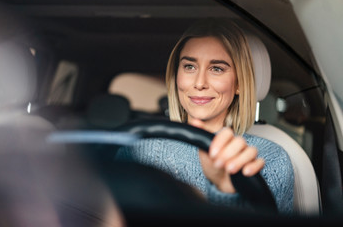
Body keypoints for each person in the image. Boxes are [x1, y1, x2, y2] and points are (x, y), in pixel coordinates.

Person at [115, 19, 294, 214]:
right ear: (176, 77)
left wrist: (225, 190)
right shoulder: (138, 148)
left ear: (239, 84)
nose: (199, 83)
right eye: (189, 67)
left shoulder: (270, 159)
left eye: (217, 69)